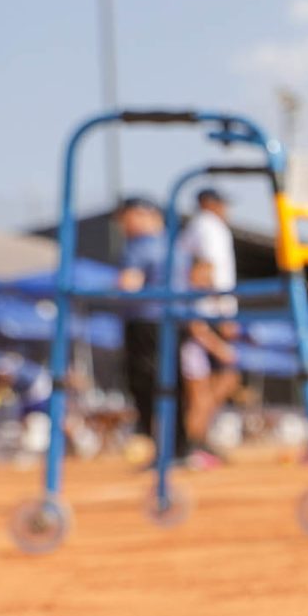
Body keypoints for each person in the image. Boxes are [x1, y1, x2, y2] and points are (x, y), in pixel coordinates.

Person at [112, 196, 189, 464]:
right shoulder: (176, 245)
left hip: (145, 322)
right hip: (174, 321)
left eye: (126, 218)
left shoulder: (139, 247)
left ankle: (158, 445)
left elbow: (128, 284)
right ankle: (178, 447)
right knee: (172, 383)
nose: (123, 225)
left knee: (145, 384)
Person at [173, 187, 241, 468]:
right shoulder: (208, 228)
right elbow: (208, 269)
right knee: (201, 391)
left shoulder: (196, 229)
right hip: (206, 316)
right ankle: (194, 443)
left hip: (206, 315)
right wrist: (225, 315)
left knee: (218, 384)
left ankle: (198, 439)